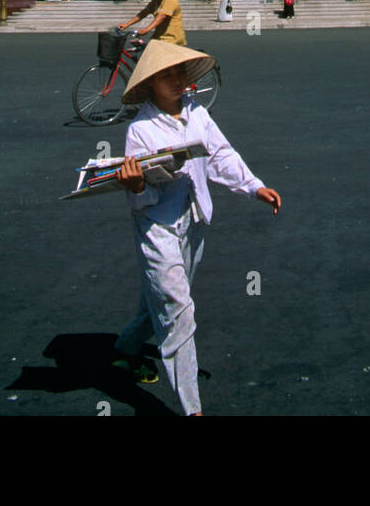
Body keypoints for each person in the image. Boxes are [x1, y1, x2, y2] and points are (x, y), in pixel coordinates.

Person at [111, 39, 281, 416]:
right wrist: (136, 184)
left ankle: (124, 348)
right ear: (151, 82)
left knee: (161, 298)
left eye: (179, 73)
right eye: (166, 75)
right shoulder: (140, 130)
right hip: (157, 226)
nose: (175, 80)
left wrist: (254, 186)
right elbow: (139, 192)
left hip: (195, 221)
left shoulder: (198, 114)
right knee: (178, 309)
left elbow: (221, 154)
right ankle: (192, 409)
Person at [121, 0, 187, 47]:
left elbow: (162, 16)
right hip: (159, 38)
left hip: (171, 40)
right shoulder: (156, 0)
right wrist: (126, 25)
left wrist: (146, 30)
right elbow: (143, 13)